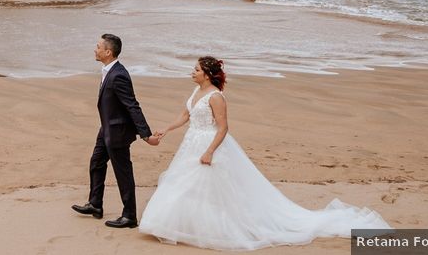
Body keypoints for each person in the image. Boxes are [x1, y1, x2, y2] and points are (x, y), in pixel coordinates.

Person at [139, 56, 391, 249]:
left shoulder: (216, 97)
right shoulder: (196, 91)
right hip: (191, 142)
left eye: (196, 69)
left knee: (211, 188)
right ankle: (181, 224)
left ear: (207, 75)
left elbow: (224, 127)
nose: (192, 72)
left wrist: (210, 152)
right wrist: (167, 130)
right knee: (185, 184)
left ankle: (214, 229)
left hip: (208, 144)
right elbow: (186, 115)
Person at [72, 34, 159, 229]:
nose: (95, 49)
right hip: (106, 129)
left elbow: (132, 105)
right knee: (96, 163)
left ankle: (129, 216)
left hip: (118, 131)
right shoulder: (108, 70)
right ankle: (95, 204)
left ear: (108, 52)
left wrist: (146, 135)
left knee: (123, 173)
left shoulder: (119, 74)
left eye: (98, 47)